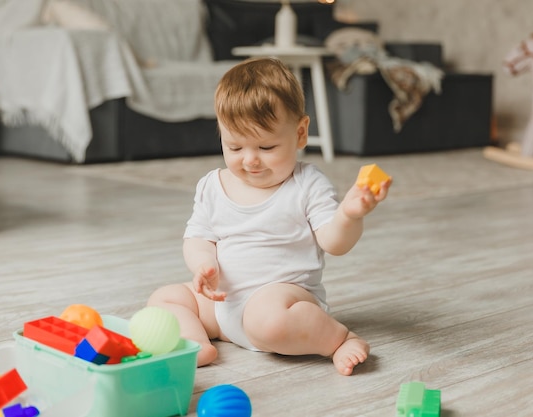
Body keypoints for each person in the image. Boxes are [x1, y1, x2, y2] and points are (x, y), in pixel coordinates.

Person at [147, 57, 391, 376]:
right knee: (165, 298)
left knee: (269, 321)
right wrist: (203, 264)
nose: (250, 160)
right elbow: (198, 237)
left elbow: (335, 242)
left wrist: (348, 214)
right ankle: (195, 344)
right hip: (222, 306)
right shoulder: (212, 186)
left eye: (266, 146)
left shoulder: (307, 185)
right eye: (234, 147)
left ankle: (338, 338)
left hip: (280, 300)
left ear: (300, 133)